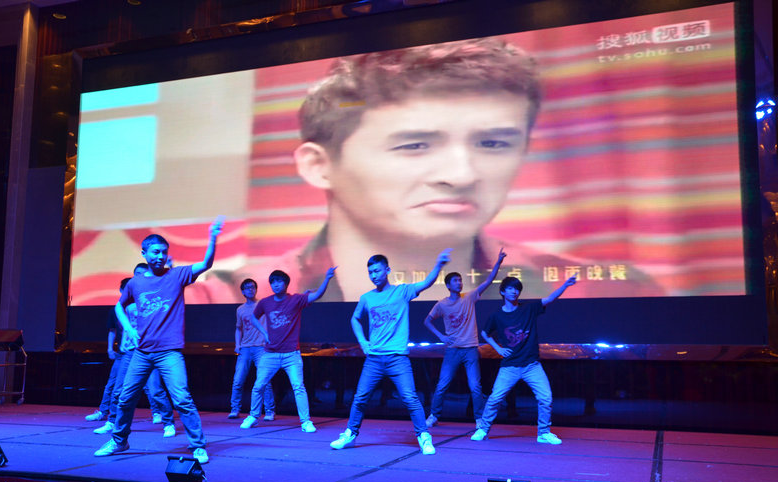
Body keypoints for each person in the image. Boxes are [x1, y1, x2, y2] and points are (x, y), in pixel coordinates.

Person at [205, 36, 662, 303]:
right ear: (319, 166)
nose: (461, 175)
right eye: (415, 145)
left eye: (493, 143)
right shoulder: (221, 296)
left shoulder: (606, 293)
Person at [94, 218, 225, 464]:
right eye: (155, 252)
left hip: (169, 352)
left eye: (164, 252)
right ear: (144, 253)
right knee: (125, 398)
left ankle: (198, 446)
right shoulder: (135, 283)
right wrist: (128, 329)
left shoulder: (177, 275)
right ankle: (119, 441)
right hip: (142, 352)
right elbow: (119, 306)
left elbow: (206, 264)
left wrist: (212, 237)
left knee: (182, 398)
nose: (160, 256)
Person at [329, 249, 451, 454]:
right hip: (374, 359)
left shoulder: (401, 292)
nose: (373, 275)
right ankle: (350, 434)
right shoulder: (367, 298)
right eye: (370, 272)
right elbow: (355, 319)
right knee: (360, 398)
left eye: (377, 271)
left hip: (397, 358)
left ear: (387, 270)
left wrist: (439, 265)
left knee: (410, 398)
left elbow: (427, 283)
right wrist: (363, 342)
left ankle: (424, 436)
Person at [471, 274, 577, 444]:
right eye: (510, 288)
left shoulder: (528, 308)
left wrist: (565, 285)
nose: (514, 292)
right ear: (502, 292)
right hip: (509, 366)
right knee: (495, 399)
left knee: (546, 398)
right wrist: (498, 348)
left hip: (531, 365)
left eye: (517, 289)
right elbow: (485, 333)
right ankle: (483, 429)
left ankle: (543, 433)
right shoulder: (497, 315)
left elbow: (550, 299)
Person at [239, 266, 337, 432]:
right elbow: (254, 318)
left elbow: (317, 295)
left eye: (279, 281)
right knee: (258, 385)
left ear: (286, 283)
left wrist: (327, 278)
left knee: (298, 387)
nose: (276, 285)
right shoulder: (265, 302)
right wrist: (264, 332)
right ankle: (253, 416)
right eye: (273, 282)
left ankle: (305, 421)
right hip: (270, 353)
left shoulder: (296, 300)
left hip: (291, 354)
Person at [424, 248, 507, 429]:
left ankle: (479, 418)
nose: (459, 283)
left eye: (460, 280)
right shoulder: (442, 304)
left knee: (475, 386)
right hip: (453, 350)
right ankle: (433, 416)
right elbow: (427, 321)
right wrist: (441, 336)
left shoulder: (469, 297)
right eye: (455, 280)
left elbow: (488, 281)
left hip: (470, 349)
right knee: (442, 385)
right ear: (448, 285)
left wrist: (498, 262)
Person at [88, 263, 174, 429]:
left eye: (143, 273)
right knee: (118, 388)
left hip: (149, 350)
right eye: (137, 274)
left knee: (155, 389)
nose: (140, 276)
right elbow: (118, 324)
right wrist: (117, 345)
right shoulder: (127, 299)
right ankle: (111, 421)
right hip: (128, 351)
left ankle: (167, 421)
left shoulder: (154, 295)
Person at [228, 278, 276, 421]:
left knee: (264, 380)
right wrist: (237, 345)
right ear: (243, 291)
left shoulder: (263, 305)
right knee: (238, 379)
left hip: (261, 347)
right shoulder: (240, 310)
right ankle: (235, 409)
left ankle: (269, 410)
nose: (251, 290)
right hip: (245, 348)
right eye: (247, 287)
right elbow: (238, 328)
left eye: (253, 287)